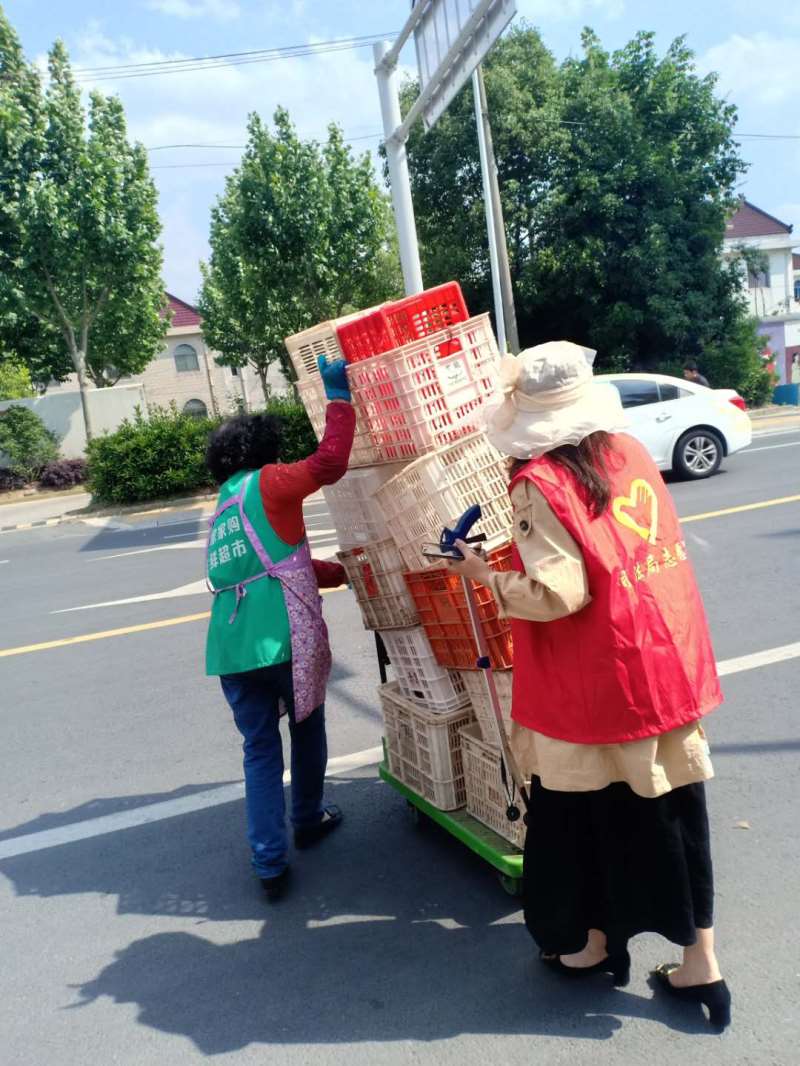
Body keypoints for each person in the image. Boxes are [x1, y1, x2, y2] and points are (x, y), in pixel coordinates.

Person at [448, 342, 730, 1030]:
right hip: (660, 662)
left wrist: (483, 575)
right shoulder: (626, 452)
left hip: (593, 684)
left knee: (582, 821)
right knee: (673, 818)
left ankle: (592, 945)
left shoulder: (538, 481)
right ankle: (702, 965)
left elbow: (559, 591)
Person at [204, 358, 354, 901]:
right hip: (281, 640)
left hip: (232, 649)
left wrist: (338, 572)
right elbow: (330, 462)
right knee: (307, 727)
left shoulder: (224, 504)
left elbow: (275, 563)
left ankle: (268, 863)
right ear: (264, 451)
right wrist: (339, 398)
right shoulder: (269, 482)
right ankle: (307, 819)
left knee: (260, 751)